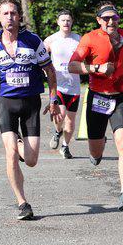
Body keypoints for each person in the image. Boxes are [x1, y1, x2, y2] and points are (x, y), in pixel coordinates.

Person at [68, 1, 123, 211]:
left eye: (114, 17)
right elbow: (72, 65)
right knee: (95, 151)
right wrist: (96, 68)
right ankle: (97, 150)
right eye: (106, 18)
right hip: (98, 98)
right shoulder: (90, 38)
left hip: (119, 98)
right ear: (99, 20)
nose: (111, 21)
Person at [0, 0, 62, 220]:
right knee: (10, 153)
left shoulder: (33, 40)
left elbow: (50, 71)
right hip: (7, 103)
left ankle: (19, 143)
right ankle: (22, 203)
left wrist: (54, 98)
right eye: (5, 14)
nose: (10, 17)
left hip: (30, 103)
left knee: (31, 160)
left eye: (13, 13)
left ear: (19, 17)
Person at [44, 10, 81, 159]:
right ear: (58, 22)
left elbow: (88, 57)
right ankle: (57, 131)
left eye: (68, 20)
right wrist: (44, 71)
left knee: (70, 122)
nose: (66, 23)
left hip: (74, 86)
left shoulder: (79, 39)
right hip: (58, 85)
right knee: (61, 115)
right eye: (63, 20)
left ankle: (65, 147)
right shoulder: (51, 40)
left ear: (72, 22)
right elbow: (40, 58)